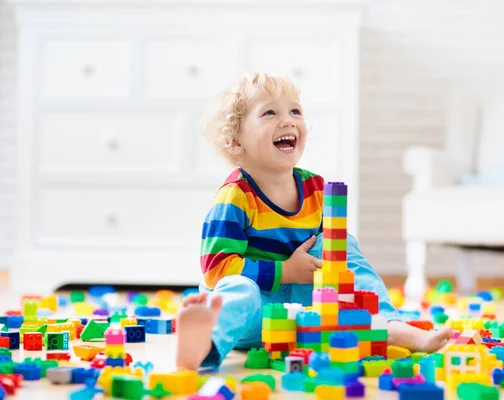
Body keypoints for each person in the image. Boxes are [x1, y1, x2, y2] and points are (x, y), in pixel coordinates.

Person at [175, 72, 452, 370]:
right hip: (253, 315)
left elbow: (333, 261)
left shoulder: (315, 189)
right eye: (270, 112)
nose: (288, 120)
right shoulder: (235, 196)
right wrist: (285, 271)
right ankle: (207, 343)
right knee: (240, 290)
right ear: (235, 140)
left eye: (295, 110)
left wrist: (321, 270)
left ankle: (386, 323)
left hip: (301, 312)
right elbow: (216, 269)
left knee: (339, 244)